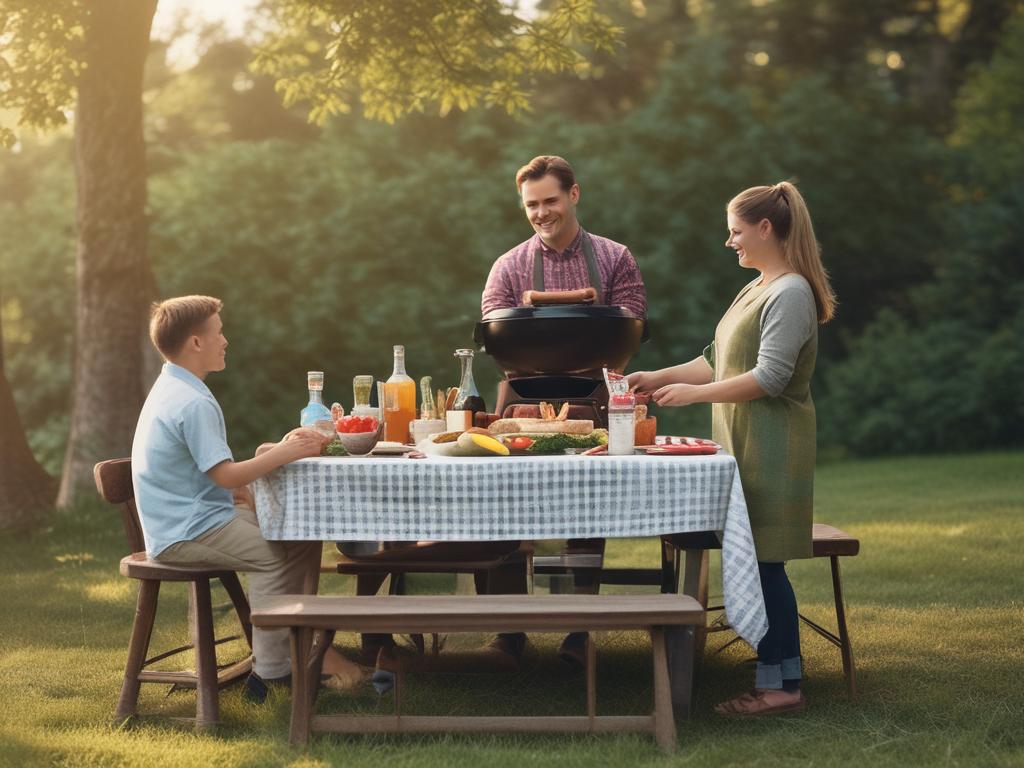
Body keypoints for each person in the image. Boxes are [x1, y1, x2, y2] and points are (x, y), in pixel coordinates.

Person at [628, 181, 836, 716]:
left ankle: (781, 687)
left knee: (766, 563)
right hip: (741, 445)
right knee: (759, 561)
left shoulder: (790, 292)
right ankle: (777, 674)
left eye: (736, 231)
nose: (730, 242)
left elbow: (770, 377)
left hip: (773, 448)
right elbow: (715, 359)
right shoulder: (756, 287)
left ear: (766, 228)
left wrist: (694, 395)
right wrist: (658, 376)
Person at [131, 295, 366, 703]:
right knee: (272, 555)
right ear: (195, 342)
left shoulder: (176, 387)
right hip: (185, 531)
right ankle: (272, 672)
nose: (225, 341)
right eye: (218, 333)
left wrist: (278, 451)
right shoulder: (192, 401)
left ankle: (298, 649)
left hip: (198, 516)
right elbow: (225, 475)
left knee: (297, 535)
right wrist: (285, 452)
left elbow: (212, 472)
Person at [481, 154, 646, 318]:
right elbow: (495, 328)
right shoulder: (506, 268)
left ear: (574, 194)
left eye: (551, 201)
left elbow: (630, 326)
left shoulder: (617, 258)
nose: (542, 213)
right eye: (532, 205)